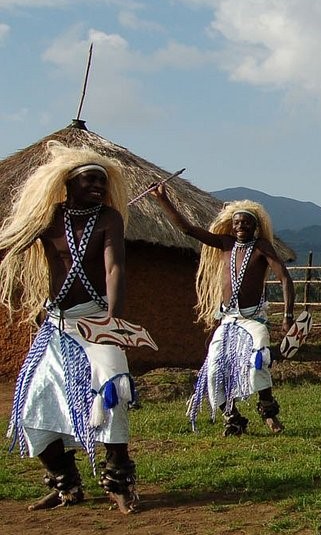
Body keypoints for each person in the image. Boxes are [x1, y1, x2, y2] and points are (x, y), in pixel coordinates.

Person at [0, 142, 140, 513]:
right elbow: (11, 244)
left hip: (97, 319)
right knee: (32, 403)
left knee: (112, 392)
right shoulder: (49, 217)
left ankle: (119, 483)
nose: (97, 184)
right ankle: (66, 485)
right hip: (57, 324)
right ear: (68, 184)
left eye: (102, 179)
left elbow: (115, 269)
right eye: (89, 179)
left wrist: (113, 318)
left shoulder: (110, 218)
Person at [151, 190, 294, 436]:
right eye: (237, 222)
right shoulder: (226, 244)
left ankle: (268, 412)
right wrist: (163, 199)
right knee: (215, 368)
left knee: (259, 357)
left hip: (252, 318)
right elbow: (187, 229)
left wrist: (288, 315)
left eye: (246, 222)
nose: (241, 226)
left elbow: (284, 278)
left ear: (255, 226)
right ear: (231, 225)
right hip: (228, 319)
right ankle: (233, 417)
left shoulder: (261, 247)